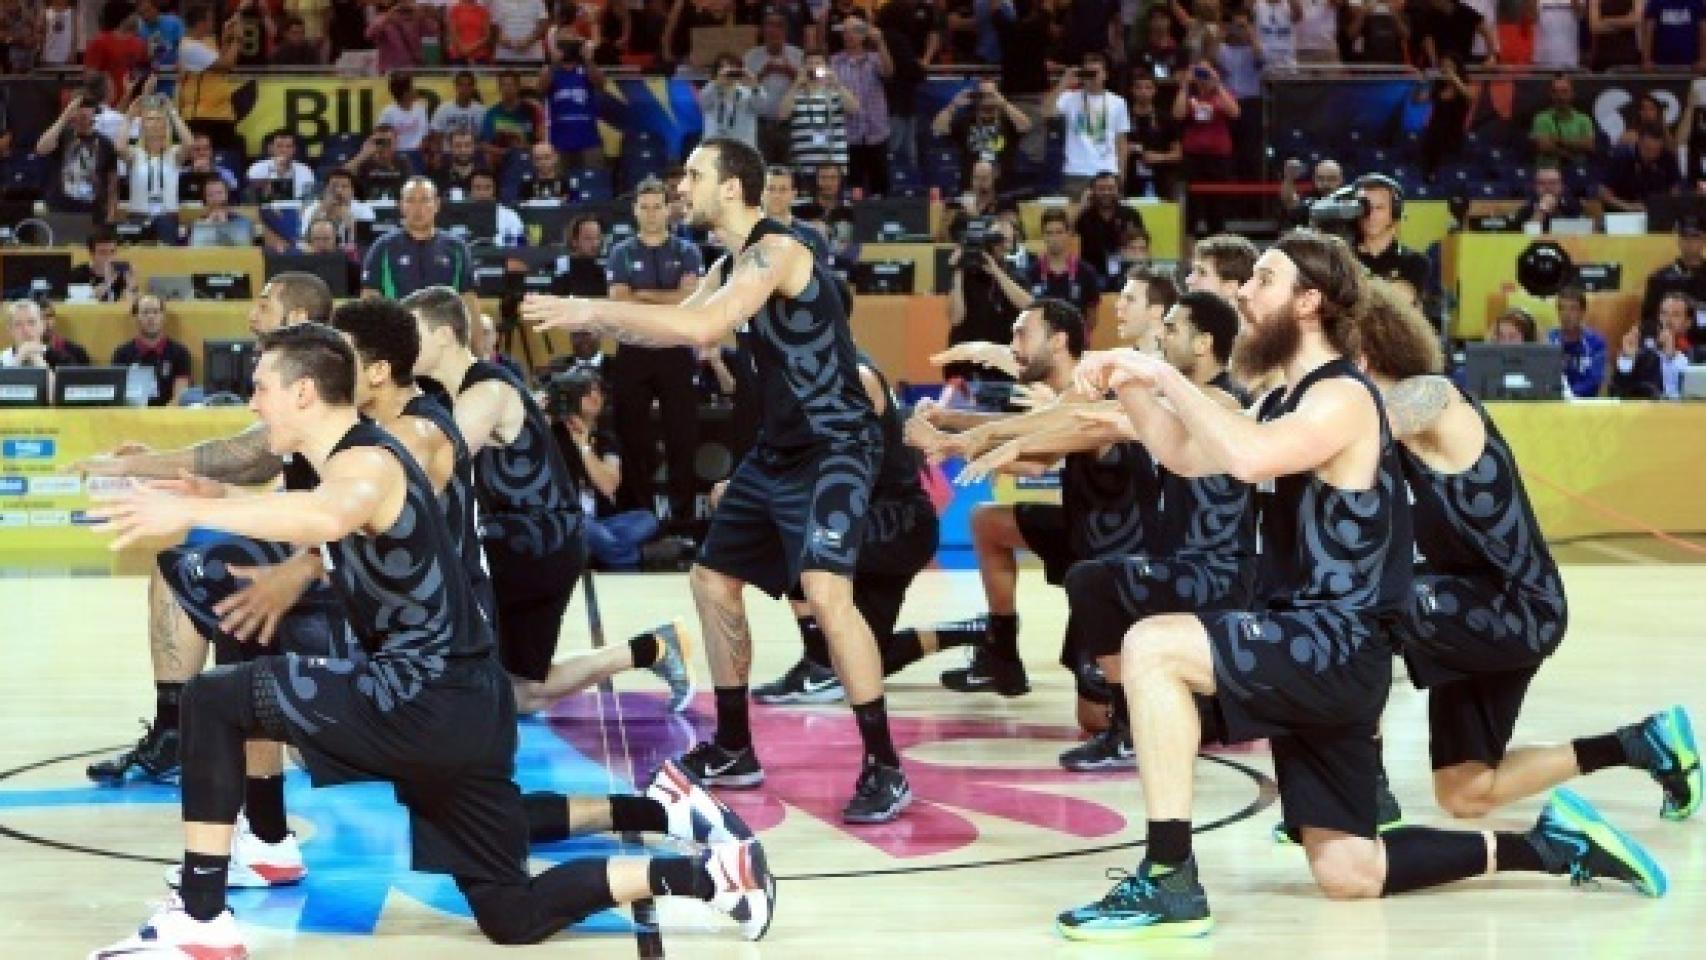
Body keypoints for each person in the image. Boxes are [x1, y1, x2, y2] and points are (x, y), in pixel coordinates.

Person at [88, 323, 774, 958]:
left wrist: (190, 509)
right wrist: (206, 490)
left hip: (415, 695)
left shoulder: (369, 464)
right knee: (512, 914)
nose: (254, 402)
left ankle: (203, 919)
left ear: (302, 392)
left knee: (213, 701)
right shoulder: (363, 452)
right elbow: (311, 513)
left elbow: (331, 512)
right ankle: (708, 875)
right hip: (463, 704)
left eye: (261, 388)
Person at [1055, 230, 1667, 943]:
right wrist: (1130, 381)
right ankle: (1548, 845)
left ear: (1308, 302)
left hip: (1331, 640)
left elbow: (1249, 460)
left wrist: (1160, 378)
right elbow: (1188, 454)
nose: (1244, 293)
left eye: (1262, 279)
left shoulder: (1343, 396)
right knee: (1349, 867)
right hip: (1320, 645)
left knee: (1154, 647)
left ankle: (1167, 879)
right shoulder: (1287, 397)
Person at [525, 136, 914, 823]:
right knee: (710, 580)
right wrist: (594, 329)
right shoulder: (730, 261)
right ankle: (735, 744)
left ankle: (885, 764)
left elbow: (707, 321)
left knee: (827, 593)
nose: (683, 188)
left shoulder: (778, 251)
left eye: (696, 176)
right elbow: (679, 332)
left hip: (836, 446)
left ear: (732, 187)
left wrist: (593, 309)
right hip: (778, 448)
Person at [1354, 281, 1701, 833]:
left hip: (1517, 606)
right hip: (1461, 607)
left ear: (1363, 355)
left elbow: (1371, 423)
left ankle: (1359, 786)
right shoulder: (1381, 432)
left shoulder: (1436, 399)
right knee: (1465, 793)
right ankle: (1643, 744)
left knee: (1369, 602)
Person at [605, 177, 706, 522]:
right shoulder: (621, 251)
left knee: (683, 438)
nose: (651, 214)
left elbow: (690, 301)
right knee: (633, 437)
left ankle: (683, 520)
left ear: (669, 209)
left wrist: (642, 295)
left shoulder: (687, 251)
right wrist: (665, 301)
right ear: (635, 210)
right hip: (634, 350)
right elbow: (619, 301)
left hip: (675, 350)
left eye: (657, 207)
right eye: (644, 207)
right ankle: (639, 517)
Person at [550, 368, 661, 571]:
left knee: (647, 520)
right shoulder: (552, 436)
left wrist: (583, 445)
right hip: (566, 519)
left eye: (598, 391)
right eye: (586, 391)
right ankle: (632, 556)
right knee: (584, 527)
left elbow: (609, 486)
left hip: (601, 521)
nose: (595, 396)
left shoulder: (606, 440)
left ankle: (596, 551)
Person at [361, 178, 479, 320]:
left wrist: (476, 341)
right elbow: (369, 296)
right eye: (410, 200)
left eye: (425, 200)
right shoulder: (382, 246)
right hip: (398, 329)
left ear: (437, 205)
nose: (418, 208)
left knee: (486, 325)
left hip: (445, 331)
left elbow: (468, 296)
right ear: (401, 206)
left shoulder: (457, 247)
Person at [1047, 52, 1130, 198]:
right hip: (1075, 172)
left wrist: (1121, 175)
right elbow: (1046, 112)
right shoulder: (1069, 98)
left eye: (1095, 72)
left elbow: (1121, 142)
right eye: (1087, 72)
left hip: (1108, 171)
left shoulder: (1118, 102)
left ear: (1105, 75)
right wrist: (1064, 82)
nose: (1091, 77)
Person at [830, 15, 893, 196]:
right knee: (853, 188)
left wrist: (881, 43)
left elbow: (889, 72)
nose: (849, 35)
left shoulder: (874, 59)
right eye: (846, 31)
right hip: (849, 135)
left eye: (855, 31)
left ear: (864, 34)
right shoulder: (835, 62)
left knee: (880, 188)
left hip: (876, 133)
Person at [932, 76, 1032, 186]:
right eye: (983, 95)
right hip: (971, 187)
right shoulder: (966, 121)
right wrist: (953, 105)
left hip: (1003, 188)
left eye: (991, 95)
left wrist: (1003, 103)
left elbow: (1026, 126)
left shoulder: (1008, 121)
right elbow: (938, 128)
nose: (987, 99)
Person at [34, 93, 120, 221]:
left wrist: (111, 215)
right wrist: (64, 118)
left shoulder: (105, 143)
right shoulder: (61, 136)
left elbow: (112, 184)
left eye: (87, 109)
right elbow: (41, 149)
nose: (82, 114)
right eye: (78, 109)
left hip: (93, 211)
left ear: (94, 113)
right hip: (60, 210)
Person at [781, 48, 857, 177]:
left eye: (818, 63)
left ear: (826, 67)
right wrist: (796, 84)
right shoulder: (796, 94)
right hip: (804, 165)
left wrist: (836, 83)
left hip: (834, 166)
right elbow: (782, 115)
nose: (813, 67)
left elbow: (854, 108)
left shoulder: (835, 93)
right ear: (803, 67)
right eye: (809, 63)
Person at [1019, 208, 1103, 321]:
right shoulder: (1031, 273)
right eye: (1049, 233)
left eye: (1059, 232)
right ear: (1043, 236)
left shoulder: (1086, 272)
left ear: (1068, 234)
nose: (1054, 238)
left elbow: (1092, 317)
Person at [112, 294, 191, 406]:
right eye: (145, 312)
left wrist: (160, 418)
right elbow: (119, 397)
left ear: (163, 317)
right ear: (135, 318)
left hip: (168, 417)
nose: (151, 317)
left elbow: (180, 396)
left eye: (155, 312)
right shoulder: (121, 354)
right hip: (133, 417)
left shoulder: (180, 352)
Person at [542, 34, 606, 168]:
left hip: (588, 140)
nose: (567, 50)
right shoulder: (552, 72)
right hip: (559, 141)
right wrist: (553, 62)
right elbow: (540, 88)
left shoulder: (585, 70)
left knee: (592, 180)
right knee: (560, 182)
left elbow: (601, 83)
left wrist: (588, 60)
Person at [1076, 171, 1146, 288]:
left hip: (1125, 273)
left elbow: (1141, 244)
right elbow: (1068, 235)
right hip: (1092, 274)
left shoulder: (1130, 214)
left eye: (1110, 188)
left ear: (1118, 191)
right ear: (1092, 192)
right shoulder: (1084, 216)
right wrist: (1081, 206)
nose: (1106, 192)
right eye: (1101, 189)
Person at [1639, 215, 1706, 336]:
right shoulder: (1659, 279)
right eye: (1685, 237)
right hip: (1669, 339)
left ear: (1704, 240)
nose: (1690, 242)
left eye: (1695, 237)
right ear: (1679, 240)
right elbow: (1647, 320)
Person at [1599, 123, 1681, 213]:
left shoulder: (1667, 158)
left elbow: (1675, 187)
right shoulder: (1621, 157)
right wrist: (1628, 206)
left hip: (1657, 212)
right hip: (1624, 212)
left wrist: (1670, 204)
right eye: (1648, 149)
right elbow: (1602, 192)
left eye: (1656, 151)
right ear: (1639, 142)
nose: (1652, 155)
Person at [1546, 286, 1607, 397]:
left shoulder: (1596, 342)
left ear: (1582, 312)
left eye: (1573, 308)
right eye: (1561, 308)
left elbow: (1594, 381)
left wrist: (1568, 394)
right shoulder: (1549, 340)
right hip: (1555, 402)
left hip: (1584, 404)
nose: (1566, 314)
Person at [701, 52, 769, 151]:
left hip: (743, 148)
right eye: (723, 68)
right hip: (714, 147)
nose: (728, 73)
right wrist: (717, 83)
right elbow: (703, 102)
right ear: (716, 72)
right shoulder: (711, 90)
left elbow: (762, 107)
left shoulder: (748, 93)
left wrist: (754, 84)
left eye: (732, 69)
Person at [1530, 73, 1597, 169]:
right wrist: (1570, 154)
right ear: (1551, 95)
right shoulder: (1541, 118)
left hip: (1578, 169)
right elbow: (1544, 146)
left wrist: (1558, 141)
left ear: (1572, 94)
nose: (1560, 96)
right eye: (1555, 92)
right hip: (1549, 170)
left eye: (1564, 92)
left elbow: (1589, 145)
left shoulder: (1584, 119)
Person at [244, 130, 317, 203]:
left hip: (297, 209)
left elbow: (308, 198)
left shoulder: (304, 170)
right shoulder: (257, 168)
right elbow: (253, 198)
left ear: (294, 150)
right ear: (271, 149)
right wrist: (278, 171)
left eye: (288, 147)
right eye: (279, 146)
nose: (284, 150)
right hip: (265, 209)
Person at [1512, 166, 1585, 232]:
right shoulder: (1527, 209)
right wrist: (1541, 212)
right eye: (1542, 183)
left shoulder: (1574, 206)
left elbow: (1583, 233)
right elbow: (1525, 239)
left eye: (1553, 183)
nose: (1547, 187)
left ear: (1561, 186)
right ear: (1535, 187)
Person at [68, 228, 132, 302]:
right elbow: (78, 300)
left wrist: (131, 285)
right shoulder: (78, 274)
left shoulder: (121, 275)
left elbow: (131, 304)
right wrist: (107, 282)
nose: (109, 256)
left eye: (112, 251)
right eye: (103, 252)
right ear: (92, 254)